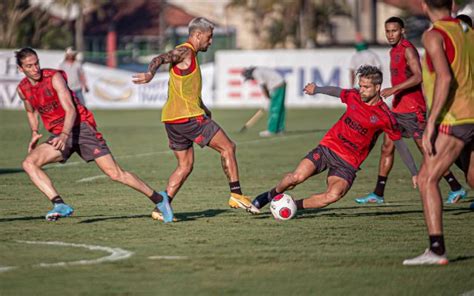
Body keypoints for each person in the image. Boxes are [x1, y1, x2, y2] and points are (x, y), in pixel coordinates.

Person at [16, 47, 173, 222]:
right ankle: (59, 204)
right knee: (29, 163)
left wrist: (64, 135)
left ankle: (159, 199)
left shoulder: (54, 77)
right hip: (60, 135)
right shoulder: (23, 89)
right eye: (29, 66)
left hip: (80, 128)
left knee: (115, 173)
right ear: (21, 69)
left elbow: (70, 109)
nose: (35, 68)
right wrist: (35, 132)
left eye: (36, 63)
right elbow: (31, 111)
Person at [132, 17, 259, 219]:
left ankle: (161, 208)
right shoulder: (186, 51)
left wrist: (204, 108)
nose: (210, 42)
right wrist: (150, 73)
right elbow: (161, 58)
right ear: (197, 35)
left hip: (172, 119)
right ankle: (236, 194)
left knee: (185, 166)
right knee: (228, 147)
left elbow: (188, 91)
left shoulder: (190, 56)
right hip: (188, 117)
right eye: (209, 38)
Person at [251, 65, 418, 213]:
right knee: (295, 178)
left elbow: (400, 144)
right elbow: (337, 91)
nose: (361, 90)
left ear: (377, 87)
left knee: (333, 195)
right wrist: (316, 89)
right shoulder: (354, 96)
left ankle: (292, 206)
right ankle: (269, 196)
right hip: (327, 149)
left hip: (347, 164)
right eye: (360, 86)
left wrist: (414, 172)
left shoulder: (385, 116)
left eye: (366, 87)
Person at [355, 16, 466, 204]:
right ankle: (378, 193)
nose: (390, 35)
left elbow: (418, 77)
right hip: (398, 108)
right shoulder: (393, 51)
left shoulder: (408, 50)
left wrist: (394, 89)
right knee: (387, 147)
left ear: (402, 31)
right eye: (388, 31)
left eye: (394, 31)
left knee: (425, 149)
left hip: (413, 109)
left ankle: (456, 187)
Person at [403, 0, 473, 266]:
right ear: (453, 4)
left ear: (423, 6)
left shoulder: (434, 34)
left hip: (455, 119)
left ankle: (436, 249)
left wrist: (431, 122)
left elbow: (444, 78)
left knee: (426, 179)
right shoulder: (469, 32)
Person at [242, 67, 286, 137]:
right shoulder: (258, 70)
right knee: (279, 108)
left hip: (277, 85)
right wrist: (269, 98)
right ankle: (279, 129)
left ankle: (272, 130)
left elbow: (263, 86)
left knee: (274, 109)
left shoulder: (256, 73)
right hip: (280, 83)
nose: (251, 79)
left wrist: (268, 99)